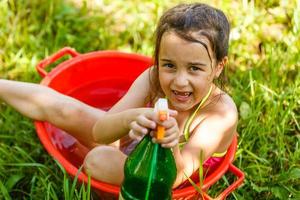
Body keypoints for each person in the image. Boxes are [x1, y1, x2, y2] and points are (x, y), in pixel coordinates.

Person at [0, 3, 237, 188]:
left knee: (98, 159)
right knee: (68, 111)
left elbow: (172, 179)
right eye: (169, 65)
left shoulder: (220, 114)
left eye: (194, 68)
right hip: (137, 149)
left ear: (218, 66)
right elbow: (101, 132)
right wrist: (131, 119)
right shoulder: (154, 76)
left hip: (164, 179)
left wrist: (171, 143)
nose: (179, 80)